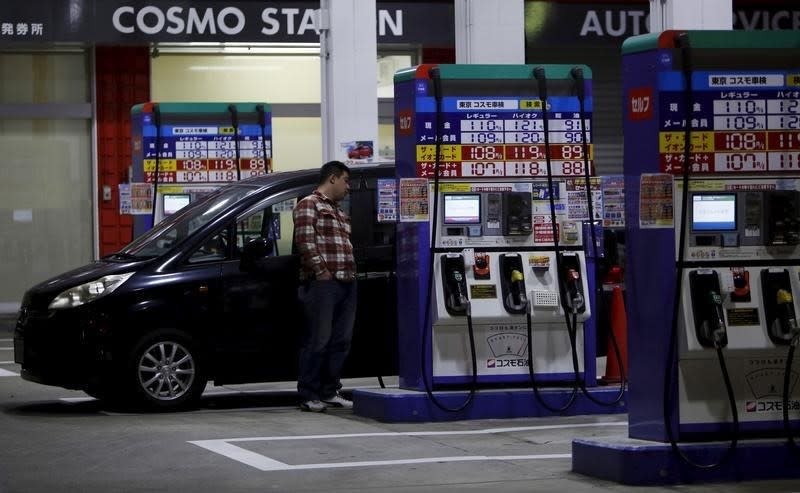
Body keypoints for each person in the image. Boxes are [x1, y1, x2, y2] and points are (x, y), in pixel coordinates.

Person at [293, 161, 357, 412]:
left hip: (347, 282)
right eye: (345, 181)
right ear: (332, 178)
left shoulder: (339, 211)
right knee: (318, 340)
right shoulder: (309, 204)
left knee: (341, 340)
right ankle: (308, 393)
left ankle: (330, 391)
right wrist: (321, 272)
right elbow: (305, 241)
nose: (347, 187)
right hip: (324, 285)